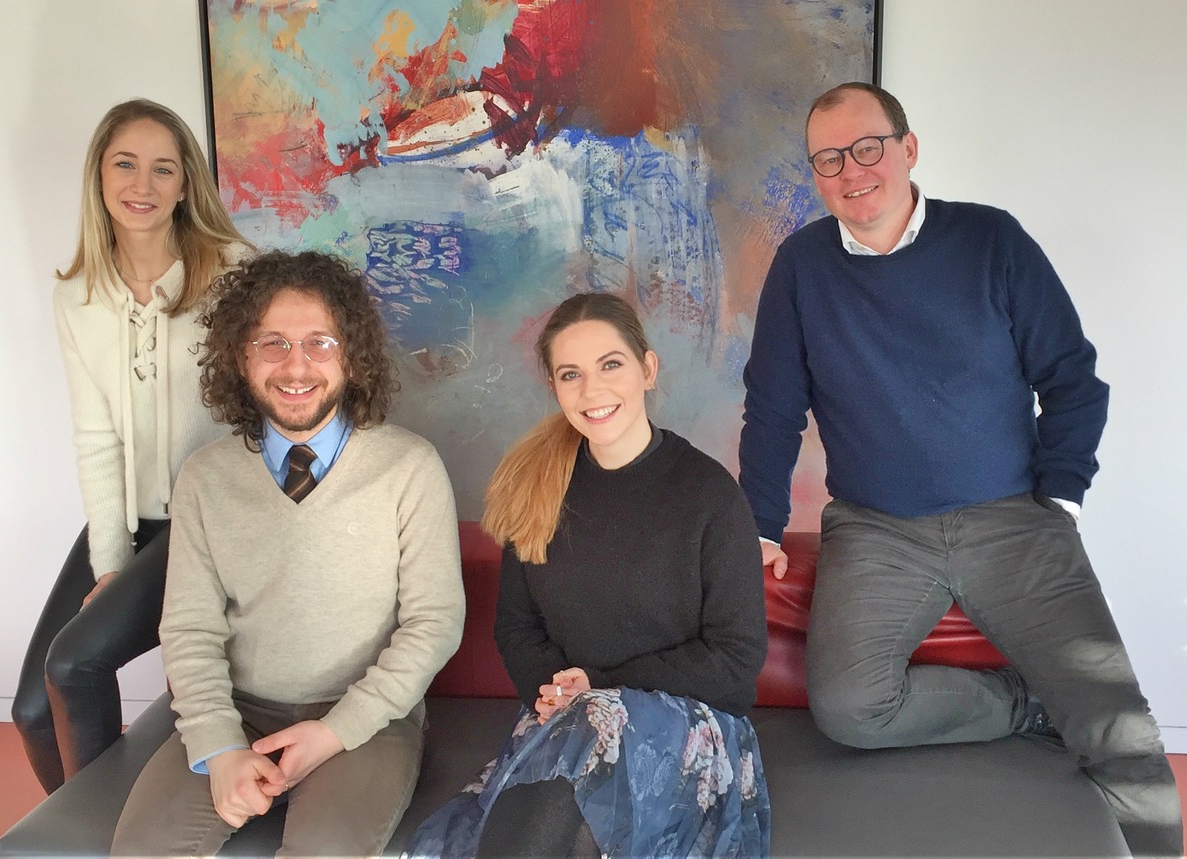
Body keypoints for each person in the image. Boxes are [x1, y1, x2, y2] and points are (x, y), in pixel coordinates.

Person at [739, 81, 1182, 857]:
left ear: (909, 150)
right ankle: (1024, 704)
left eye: (868, 147)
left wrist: (1062, 501)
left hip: (1014, 517)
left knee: (1121, 730)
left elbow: (1073, 379)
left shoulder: (991, 241)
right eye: (828, 159)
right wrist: (759, 525)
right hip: (876, 529)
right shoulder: (802, 266)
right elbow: (772, 408)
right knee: (848, 708)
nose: (852, 170)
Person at [108, 249, 465, 856]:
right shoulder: (204, 478)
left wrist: (334, 732)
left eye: (320, 343)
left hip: (365, 720)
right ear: (240, 357)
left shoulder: (410, 468)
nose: (296, 366)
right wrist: (219, 748)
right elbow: (189, 628)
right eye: (271, 342)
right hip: (239, 708)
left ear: (351, 356)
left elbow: (433, 624)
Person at [406, 293, 770, 859]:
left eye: (611, 365)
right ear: (554, 387)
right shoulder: (535, 485)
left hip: (690, 732)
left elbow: (736, 661)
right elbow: (517, 628)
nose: (592, 391)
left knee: (578, 792)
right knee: (564, 806)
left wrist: (599, 685)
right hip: (568, 722)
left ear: (647, 369)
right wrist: (555, 694)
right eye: (571, 374)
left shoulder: (709, 495)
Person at [12, 98, 253, 793]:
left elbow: (260, 416)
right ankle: (79, 829)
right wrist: (111, 565)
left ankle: (112, 840)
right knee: (32, 709)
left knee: (73, 665)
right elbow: (95, 436)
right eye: (125, 163)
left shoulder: (234, 271)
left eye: (162, 169)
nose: (141, 185)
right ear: (99, 175)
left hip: (207, 520)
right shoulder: (77, 296)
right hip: (129, 521)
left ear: (185, 185)